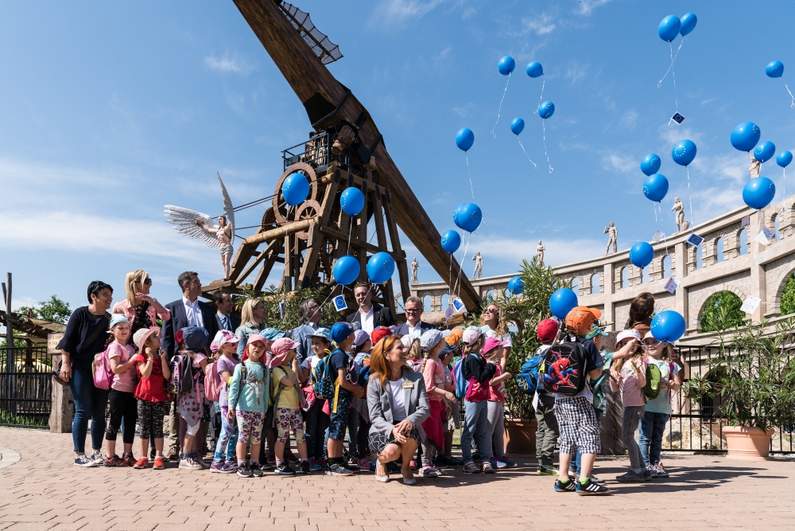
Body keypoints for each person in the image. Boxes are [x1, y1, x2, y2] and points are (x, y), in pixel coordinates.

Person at [552, 306, 609, 495]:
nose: (594, 325)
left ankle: (563, 479)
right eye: (591, 322)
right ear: (585, 324)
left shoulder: (561, 341)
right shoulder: (588, 344)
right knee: (589, 437)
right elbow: (594, 374)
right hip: (580, 398)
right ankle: (584, 480)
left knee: (567, 438)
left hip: (559, 398)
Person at [57, 280, 113, 467]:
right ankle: (79, 454)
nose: (109, 299)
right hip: (80, 367)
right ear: (93, 296)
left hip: (100, 370)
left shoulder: (108, 319)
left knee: (99, 412)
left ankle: (96, 452)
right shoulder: (80, 314)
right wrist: (66, 364)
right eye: (105, 295)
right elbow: (67, 342)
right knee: (82, 410)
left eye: (110, 295)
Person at [367, 335, 430, 484]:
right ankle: (381, 462)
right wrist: (392, 429)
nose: (405, 350)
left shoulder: (416, 377)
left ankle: (406, 466)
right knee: (391, 453)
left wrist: (410, 420)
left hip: (408, 425)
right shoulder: (374, 381)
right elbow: (375, 416)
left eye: (404, 347)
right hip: (383, 427)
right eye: (399, 348)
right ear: (387, 355)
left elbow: (425, 408)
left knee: (409, 436)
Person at [639, 332, 685, 478]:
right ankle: (645, 465)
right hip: (645, 406)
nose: (651, 344)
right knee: (645, 437)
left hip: (662, 408)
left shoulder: (671, 365)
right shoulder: (642, 362)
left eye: (654, 341)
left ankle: (655, 464)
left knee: (657, 438)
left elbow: (678, 385)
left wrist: (671, 384)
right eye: (647, 342)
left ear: (664, 343)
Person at [227, 335, 271, 478]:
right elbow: (234, 387)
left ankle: (254, 462)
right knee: (243, 437)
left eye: (261, 346)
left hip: (259, 410)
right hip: (243, 408)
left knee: (257, 438)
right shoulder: (241, 367)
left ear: (264, 350)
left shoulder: (265, 369)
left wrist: (264, 408)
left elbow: (266, 390)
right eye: (254, 345)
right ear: (247, 348)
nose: (257, 349)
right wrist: (231, 406)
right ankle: (241, 463)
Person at [609, 330, 649, 482]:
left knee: (627, 437)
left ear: (638, 345)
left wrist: (638, 370)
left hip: (635, 405)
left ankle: (636, 470)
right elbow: (613, 389)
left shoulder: (638, 360)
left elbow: (642, 383)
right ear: (620, 346)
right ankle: (642, 469)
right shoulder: (620, 363)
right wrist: (613, 376)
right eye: (625, 343)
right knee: (629, 437)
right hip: (629, 404)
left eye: (632, 342)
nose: (629, 346)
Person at [326, 322, 365, 476]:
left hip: (344, 399)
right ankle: (332, 463)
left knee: (341, 430)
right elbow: (341, 381)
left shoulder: (342, 354)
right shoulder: (339, 355)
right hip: (338, 399)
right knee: (336, 430)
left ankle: (339, 459)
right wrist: (356, 389)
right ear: (349, 337)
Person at [269, 337, 310, 475]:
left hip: (295, 408)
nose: (295, 352)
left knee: (300, 435)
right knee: (282, 435)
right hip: (283, 408)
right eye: (293, 350)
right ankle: (279, 463)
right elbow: (289, 382)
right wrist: (293, 367)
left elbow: (297, 385)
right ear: (285, 353)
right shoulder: (277, 369)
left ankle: (304, 461)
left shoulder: (289, 368)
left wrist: (301, 398)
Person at [417, 329, 455, 478]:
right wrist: (445, 393)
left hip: (437, 403)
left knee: (436, 434)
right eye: (442, 340)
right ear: (437, 344)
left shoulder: (437, 361)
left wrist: (444, 401)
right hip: (430, 404)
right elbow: (428, 386)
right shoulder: (431, 362)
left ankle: (430, 462)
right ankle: (425, 464)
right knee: (429, 435)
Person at [131, 326, 170, 470]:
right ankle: (143, 457)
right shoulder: (141, 357)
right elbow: (145, 374)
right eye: (155, 337)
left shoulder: (161, 356)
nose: (158, 338)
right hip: (144, 396)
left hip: (159, 395)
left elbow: (166, 375)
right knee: (144, 427)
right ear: (147, 343)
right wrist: (151, 358)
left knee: (158, 427)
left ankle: (159, 456)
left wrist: (163, 359)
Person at [172, 326, 209, 470]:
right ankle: (186, 456)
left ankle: (192, 455)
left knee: (189, 425)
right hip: (196, 397)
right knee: (193, 427)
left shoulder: (178, 355)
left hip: (182, 396)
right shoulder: (200, 357)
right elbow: (208, 374)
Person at [461, 326, 497, 474]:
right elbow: (481, 377)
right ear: (478, 341)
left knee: (482, 429)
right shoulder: (471, 359)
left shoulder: (477, 357)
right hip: (473, 398)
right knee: (469, 430)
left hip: (481, 397)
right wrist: (491, 366)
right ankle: (468, 461)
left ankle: (485, 459)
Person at [103, 314, 138, 467]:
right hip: (117, 390)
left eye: (126, 328)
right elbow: (115, 368)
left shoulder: (130, 347)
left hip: (131, 390)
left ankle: (127, 454)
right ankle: (110, 456)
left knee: (130, 422)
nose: (124, 330)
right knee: (114, 422)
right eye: (120, 328)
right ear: (113, 330)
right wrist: (131, 361)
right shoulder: (114, 347)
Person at [161, 271, 218, 359]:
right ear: (186, 285)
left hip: (207, 361)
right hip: (182, 361)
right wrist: (168, 362)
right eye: (196, 282)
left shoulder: (208, 309)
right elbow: (166, 338)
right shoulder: (171, 309)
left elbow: (215, 334)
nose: (200, 284)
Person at [209, 330, 241, 474]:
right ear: (222, 345)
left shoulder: (235, 359)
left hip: (236, 400)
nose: (235, 344)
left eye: (235, 342)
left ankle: (229, 459)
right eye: (231, 343)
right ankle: (217, 461)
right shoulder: (222, 361)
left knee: (235, 431)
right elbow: (227, 379)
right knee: (226, 430)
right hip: (227, 401)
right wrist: (243, 377)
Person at [302, 327, 333, 471]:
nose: (314, 346)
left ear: (327, 344)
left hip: (326, 398)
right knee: (311, 427)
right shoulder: (309, 360)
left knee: (323, 427)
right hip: (313, 399)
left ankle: (320, 455)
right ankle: (310, 456)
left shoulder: (331, 359)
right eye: (312, 343)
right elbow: (303, 378)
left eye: (318, 343)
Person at [534, 318, 560, 475]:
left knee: (541, 428)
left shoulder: (538, 350)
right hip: (550, 394)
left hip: (538, 395)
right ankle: (546, 463)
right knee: (551, 428)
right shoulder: (554, 351)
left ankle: (540, 461)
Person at [112, 269, 171, 334]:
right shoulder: (119, 306)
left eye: (149, 280)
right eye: (146, 281)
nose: (150, 284)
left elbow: (166, 317)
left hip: (151, 343)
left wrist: (153, 302)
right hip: (129, 343)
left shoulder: (151, 303)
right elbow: (114, 330)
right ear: (134, 284)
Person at [485, 339, 513, 469]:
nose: (503, 350)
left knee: (499, 430)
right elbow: (490, 382)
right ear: (495, 350)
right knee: (489, 430)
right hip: (490, 399)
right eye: (501, 348)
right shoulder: (488, 364)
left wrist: (504, 393)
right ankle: (490, 457)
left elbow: (499, 384)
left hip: (498, 399)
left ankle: (499, 455)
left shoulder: (497, 365)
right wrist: (504, 377)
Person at [291, 298, 322, 365]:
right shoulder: (299, 331)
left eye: (318, 305)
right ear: (307, 311)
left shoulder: (325, 329)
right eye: (315, 306)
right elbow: (298, 355)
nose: (319, 308)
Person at [480, 303, 511, 370]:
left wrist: (500, 374)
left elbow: (503, 358)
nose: (487, 312)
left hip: (493, 370)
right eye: (486, 310)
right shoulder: (479, 331)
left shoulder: (504, 335)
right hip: (479, 369)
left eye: (491, 310)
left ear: (498, 315)